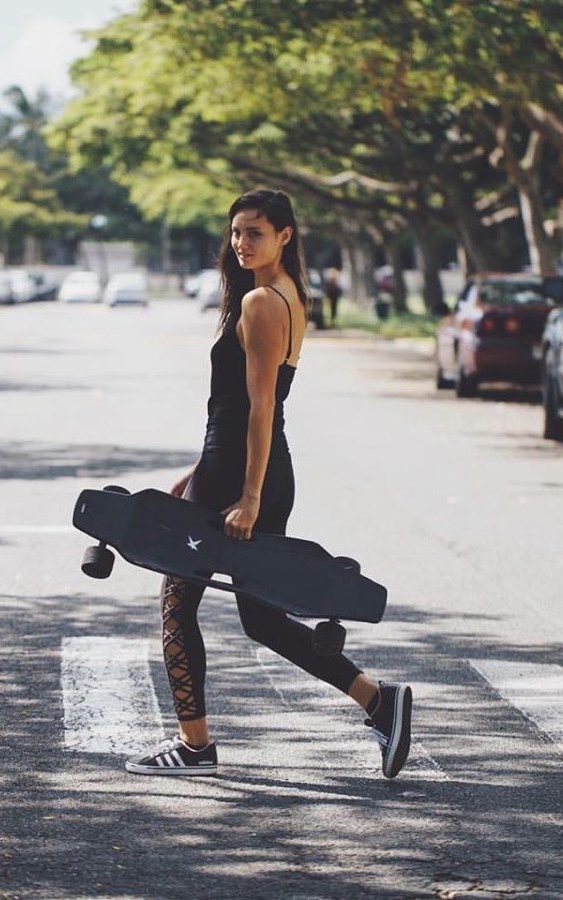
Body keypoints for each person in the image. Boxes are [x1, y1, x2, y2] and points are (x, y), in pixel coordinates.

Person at [125, 189, 413, 779]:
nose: (240, 243)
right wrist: (197, 473)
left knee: (177, 604)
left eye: (254, 232)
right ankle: (378, 701)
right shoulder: (287, 296)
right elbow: (237, 410)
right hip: (243, 470)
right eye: (235, 232)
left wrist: (248, 497)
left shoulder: (261, 302)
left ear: (285, 236)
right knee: (260, 618)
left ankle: (194, 745)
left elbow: (260, 409)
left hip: (241, 477)